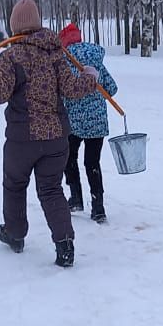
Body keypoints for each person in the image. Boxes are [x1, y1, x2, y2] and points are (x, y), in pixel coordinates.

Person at [0, 0, 99, 268]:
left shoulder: (11, 55)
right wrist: (89, 76)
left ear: (15, 27)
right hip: (55, 139)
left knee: (15, 186)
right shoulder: (56, 54)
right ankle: (65, 245)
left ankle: (15, 235)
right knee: (51, 190)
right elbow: (73, 90)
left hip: (22, 140)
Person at [59, 22, 118, 223]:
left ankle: (76, 197)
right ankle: (98, 207)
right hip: (97, 122)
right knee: (92, 162)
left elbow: (61, 90)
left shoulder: (64, 60)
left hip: (73, 122)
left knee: (69, 157)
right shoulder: (96, 60)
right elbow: (111, 88)